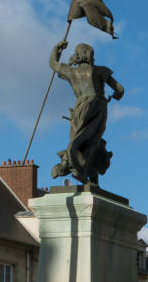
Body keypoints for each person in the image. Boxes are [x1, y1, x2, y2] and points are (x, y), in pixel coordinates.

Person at [48, 39, 124, 185]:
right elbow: (120, 89)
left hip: (80, 106)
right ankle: (78, 167)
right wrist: (115, 96)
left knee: (78, 138)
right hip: (99, 105)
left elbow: (52, 63)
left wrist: (57, 48)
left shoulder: (71, 71)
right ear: (89, 55)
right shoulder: (99, 70)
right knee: (93, 140)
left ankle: (77, 167)